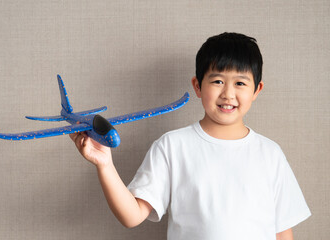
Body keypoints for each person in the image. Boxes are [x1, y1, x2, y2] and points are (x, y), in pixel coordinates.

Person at [69, 32, 311, 240]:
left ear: (256, 90)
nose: (228, 93)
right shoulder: (172, 146)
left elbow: (282, 231)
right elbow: (132, 216)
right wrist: (105, 164)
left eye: (240, 83)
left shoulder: (270, 153)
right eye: (217, 81)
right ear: (197, 86)